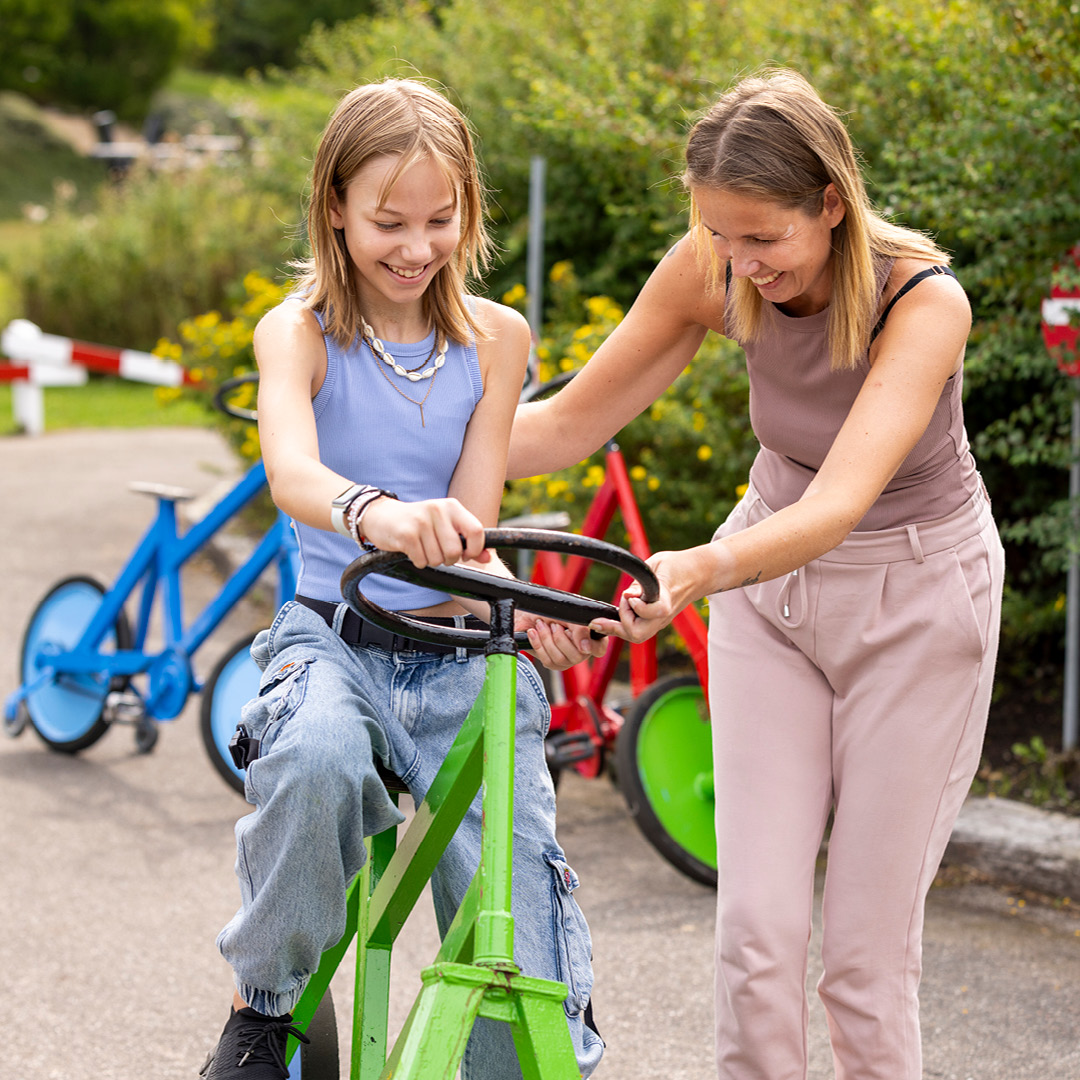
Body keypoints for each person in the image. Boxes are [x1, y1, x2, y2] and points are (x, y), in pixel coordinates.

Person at [508, 67, 1004, 1080]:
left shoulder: (924, 301)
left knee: (863, 964)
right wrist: (387, 461)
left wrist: (695, 568)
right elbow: (564, 424)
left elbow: (840, 503)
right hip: (770, 603)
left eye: (762, 239)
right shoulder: (715, 263)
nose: (739, 264)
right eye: (718, 235)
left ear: (832, 202)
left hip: (916, 605)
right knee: (756, 940)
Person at [200, 79, 605, 1080]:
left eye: (440, 219)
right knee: (319, 757)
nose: (414, 247)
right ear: (334, 204)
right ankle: (268, 1008)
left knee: (509, 901)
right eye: (388, 221)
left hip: (457, 653)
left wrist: (523, 607)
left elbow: (471, 531)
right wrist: (378, 513)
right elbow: (291, 471)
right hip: (332, 639)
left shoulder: (495, 340)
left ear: (469, 210)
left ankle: (518, 1050)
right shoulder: (298, 333)